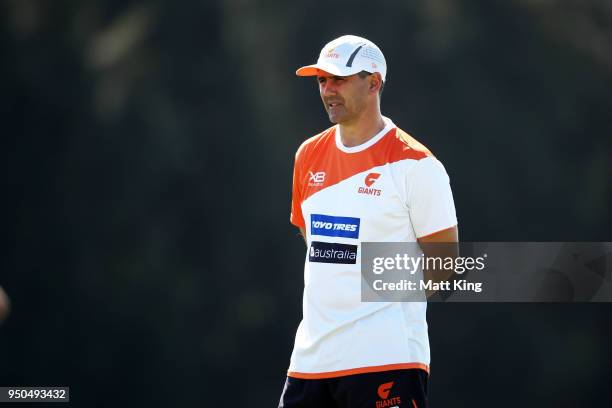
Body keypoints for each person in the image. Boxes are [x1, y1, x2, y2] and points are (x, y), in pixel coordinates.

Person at [279, 35, 458, 408]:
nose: (328, 90)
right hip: (311, 363)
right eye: (322, 80)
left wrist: (379, 302)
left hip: (385, 359)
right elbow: (314, 242)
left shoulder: (417, 165)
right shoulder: (307, 155)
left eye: (339, 79)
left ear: (374, 82)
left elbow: (444, 269)